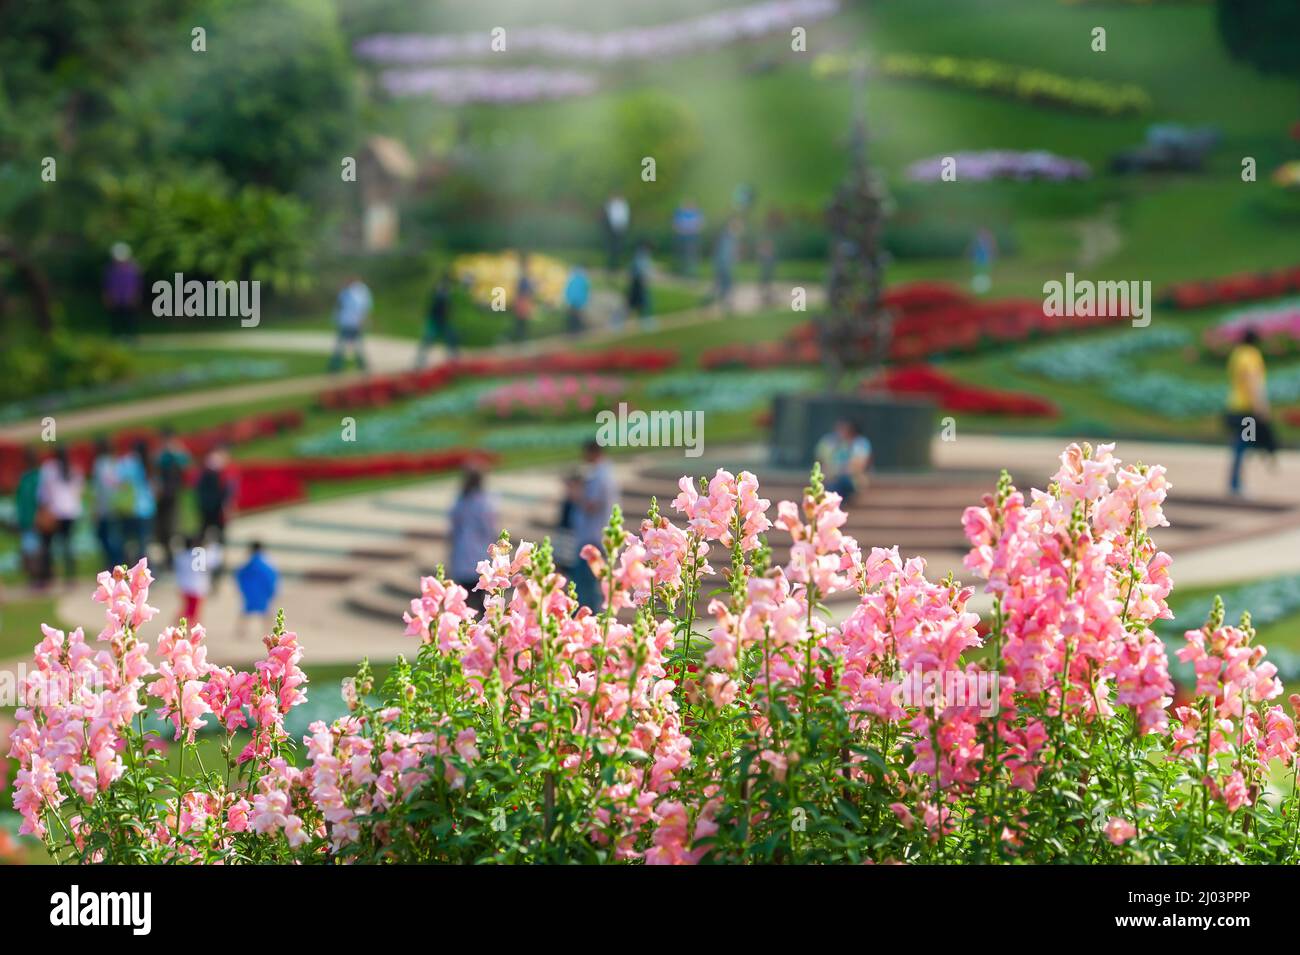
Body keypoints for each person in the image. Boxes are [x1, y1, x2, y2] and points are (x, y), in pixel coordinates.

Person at [1226, 328, 1274, 496]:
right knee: (1244, 445)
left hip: (1234, 405)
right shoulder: (1252, 356)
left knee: (1242, 444)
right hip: (1247, 410)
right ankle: (1236, 484)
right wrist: (1260, 406)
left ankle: (1236, 482)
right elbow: (1253, 382)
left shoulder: (1237, 354)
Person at [571, 441, 618, 611]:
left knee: (587, 586)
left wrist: (576, 493)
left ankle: (590, 620)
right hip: (593, 536)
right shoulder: (602, 474)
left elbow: (592, 505)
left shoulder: (601, 476)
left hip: (593, 538)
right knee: (587, 584)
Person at [448, 467, 498, 614]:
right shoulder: (483, 502)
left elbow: (454, 527)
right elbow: (489, 529)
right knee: (482, 599)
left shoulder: (461, 500)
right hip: (479, 555)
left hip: (462, 554)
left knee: (465, 601)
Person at [37, 446, 84, 585]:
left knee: (47, 546)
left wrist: (43, 510)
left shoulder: (49, 469)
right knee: (68, 545)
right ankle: (71, 577)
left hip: (54, 512)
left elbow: (43, 493)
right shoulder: (74, 469)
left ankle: (48, 577)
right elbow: (79, 491)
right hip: (70, 512)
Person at [195, 446, 236, 590]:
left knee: (213, 543)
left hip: (215, 513)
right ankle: (202, 570)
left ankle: (213, 574)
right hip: (210, 512)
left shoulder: (222, 474)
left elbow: (229, 494)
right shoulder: (220, 473)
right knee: (207, 542)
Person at [154, 426, 191, 571]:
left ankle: (176, 558)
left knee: (172, 526)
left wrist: (174, 452)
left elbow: (185, 465)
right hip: (162, 495)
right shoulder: (159, 453)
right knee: (162, 529)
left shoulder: (177, 451)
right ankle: (168, 557)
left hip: (174, 494)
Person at [116, 440, 156, 565]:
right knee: (144, 541)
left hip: (131, 507)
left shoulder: (128, 462)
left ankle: (128, 566)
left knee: (128, 541)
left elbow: (120, 482)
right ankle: (143, 568)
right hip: (147, 508)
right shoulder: (148, 462)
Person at [816, 419, 873, 502]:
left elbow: (858, 466)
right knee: (833, 486)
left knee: (841, 483)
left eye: (844, 428)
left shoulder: (860, 443)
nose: (840, 431)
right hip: (830, 478)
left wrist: (838, 471)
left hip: (852, 480)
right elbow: (821, 461)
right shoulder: (829, 441)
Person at [89, 437, 124, 570]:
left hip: (104, 508)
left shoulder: (99, 465)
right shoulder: (116, 463)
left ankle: (113, 565)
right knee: (116, 538)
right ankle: (119, 565)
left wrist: (95, 509)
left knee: (105, 538)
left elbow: (98, 490)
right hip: (117, 506)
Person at [235, 541, 279, 640]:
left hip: (251, 592)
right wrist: (271, 590)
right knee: (266, 612)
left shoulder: (250, 562)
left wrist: (243, 589)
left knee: (246, 611)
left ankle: (241, 631)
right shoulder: (266, 562)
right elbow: (272, 577)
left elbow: (240, 575)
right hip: (262, 592)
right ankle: (270, 633)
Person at [329, 276, 373, 372]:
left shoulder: (359, 293)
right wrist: (336, 318)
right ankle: (336, 367)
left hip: (354, 323)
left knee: (355, 345)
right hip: (346, 322)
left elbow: (363, 308)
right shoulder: (345, 293)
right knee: (343, 345)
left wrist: (363, 320)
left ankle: (361, 366)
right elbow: (339, 307)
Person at [416, 268, 459, 367]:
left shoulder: (444, 289)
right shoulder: (442, 290)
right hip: (436, 320)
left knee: (450, 338)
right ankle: (420, 361)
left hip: (442, 320)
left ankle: (453, 359)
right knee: (429, 340)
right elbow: (438, 307)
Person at [14, 448, 44, 587]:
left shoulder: (35, 477)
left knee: (34, 552)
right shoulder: (27, 477)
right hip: (28, 520)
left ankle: (38, 579)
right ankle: (35, 578)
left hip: (34, 520)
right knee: (30, 551)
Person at [175, 534, 220, 625]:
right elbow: (214, 562)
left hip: (184, 586)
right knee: (193, 612)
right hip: (197, 587)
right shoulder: (199, 556)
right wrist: (213, 546)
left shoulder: (181, 556)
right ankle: (190, 630)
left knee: (187, 609)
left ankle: (181, 627)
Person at [103, 242, 144, 339]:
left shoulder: (134, 269)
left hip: (129, 298)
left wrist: (136, 296)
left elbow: (138, 284)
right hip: (115, 298)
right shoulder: (110, 270)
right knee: (115, 318)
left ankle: (131, 336)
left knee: (130, 318)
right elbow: (107, 285)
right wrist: (107, 297)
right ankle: (116, 335)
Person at [713, 218, 740, 313]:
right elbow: (724, 254)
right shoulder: (727, 238)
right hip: (723, 265)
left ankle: (725, 303)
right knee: (725, 284)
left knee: (724, 285)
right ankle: (725, 304)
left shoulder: (730, 237)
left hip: (724, 264)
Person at [624, 242, 654, 328]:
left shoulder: (640, 255)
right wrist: (644, 279)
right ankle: (646, 321)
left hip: (637, 282)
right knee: (642, 303)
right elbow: (640, 270)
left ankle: (646, 321)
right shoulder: (641, 256)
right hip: (637, 283)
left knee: (638, 304)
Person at [672, 200, 704, 276]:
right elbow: (675, 225)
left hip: (693, 236)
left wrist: (693, 229)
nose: (689, 206)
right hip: (683, 236)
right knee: (683, 254)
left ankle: (692, 271)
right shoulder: (680, 213)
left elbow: (700, 224)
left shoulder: (696, 213)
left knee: (692, 254)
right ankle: (683, 270)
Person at [512, 251, 536, 343]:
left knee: (522, 321)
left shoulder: (523, 274)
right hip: (522, 299)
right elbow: (522, 289)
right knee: (521, 321)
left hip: (523, 299)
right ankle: (520, 339)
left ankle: (521, 338)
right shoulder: (522, 274)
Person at [604, 194, 630, 272]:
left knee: (617, 248)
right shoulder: (613, 204)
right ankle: (613, 265)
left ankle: (615, 265)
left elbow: (623, 217)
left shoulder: (622, 205)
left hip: (618, 229)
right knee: (613, 248)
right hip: (612, 229)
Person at [969, 227, 998, 296]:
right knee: (978, 273)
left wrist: (992, 257)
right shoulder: (977, 241)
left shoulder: (989, 241)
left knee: (985, 273)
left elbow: (992, 250)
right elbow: (972, 249)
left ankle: (985, 285)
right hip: (978, 259)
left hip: (985, 259)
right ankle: (979, 285)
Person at [563, 265, 590, 335]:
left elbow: (567, 291)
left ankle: (573, 331)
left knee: (573, 317)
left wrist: (567, 300)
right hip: (579, 301)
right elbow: (586, 291)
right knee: (577, 317)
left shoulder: (571, 280)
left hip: (573, 301)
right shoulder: (583, 280)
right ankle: (577, 331)